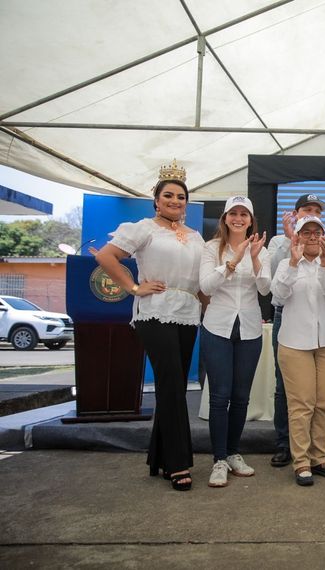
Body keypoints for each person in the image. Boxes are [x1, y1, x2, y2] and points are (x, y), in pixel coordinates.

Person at [95, 160, 204, 491]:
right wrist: (134, 288)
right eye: (168, 195)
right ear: (156, 200)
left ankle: (159, 458)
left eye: (181, 197)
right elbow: (105, 257)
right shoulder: (143, 227)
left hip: (188, 312)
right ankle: (178, 464)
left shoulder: (195, 235)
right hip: (155, 311)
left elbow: (201, 282)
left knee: (175, 386)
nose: (175, 201)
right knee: (170, 384)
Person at [199, 196, 270, 487]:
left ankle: (233, 453)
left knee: (241, 397)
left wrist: (253, 257)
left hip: (250, 329)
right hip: (217, 326)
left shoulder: (261, 250)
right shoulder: (210, 248)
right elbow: (205, 287)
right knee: (220, 396)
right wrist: (233, 261)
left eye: (244, 214)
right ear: (225, 218)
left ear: (251, 220)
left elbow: (265, 289)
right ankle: (218, 459)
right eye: (233, 213)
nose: (238, 218)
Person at [271, 216, 325, 486]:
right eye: (307, 232)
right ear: (298, 236)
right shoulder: (285, 263)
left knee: (323, 403)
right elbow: (278, 297)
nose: (313, 237)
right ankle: (301, 461)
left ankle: (320, 457)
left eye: (317, 232)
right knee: (301, 404)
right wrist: (293, 263)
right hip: (294, 342)